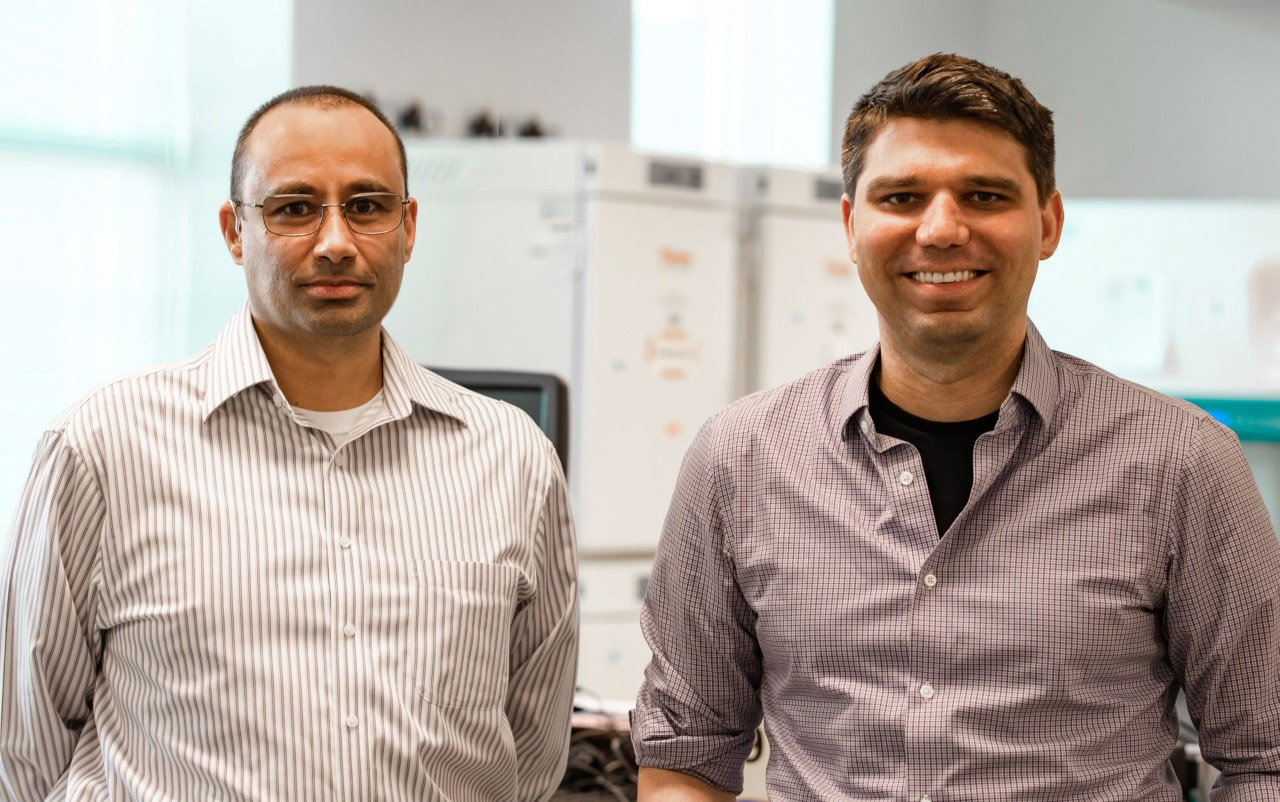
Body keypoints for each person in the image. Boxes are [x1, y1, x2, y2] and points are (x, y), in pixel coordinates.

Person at [632, 53, 1280, 801]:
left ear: (1047, 223)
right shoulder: (739, 458)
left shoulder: (1182, 462)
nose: (941, 230)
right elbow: (686, 752)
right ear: (851, 224)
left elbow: (1264, 756)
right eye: (902, 196)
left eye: (984, 194)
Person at [0, 86, 578, 802]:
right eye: (295, 208)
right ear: (235, 231)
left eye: (365, 206)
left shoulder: (511, 458)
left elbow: (532, 745)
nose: (336, 242)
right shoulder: (103, 446)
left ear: (408, 228)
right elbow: (21, 751)